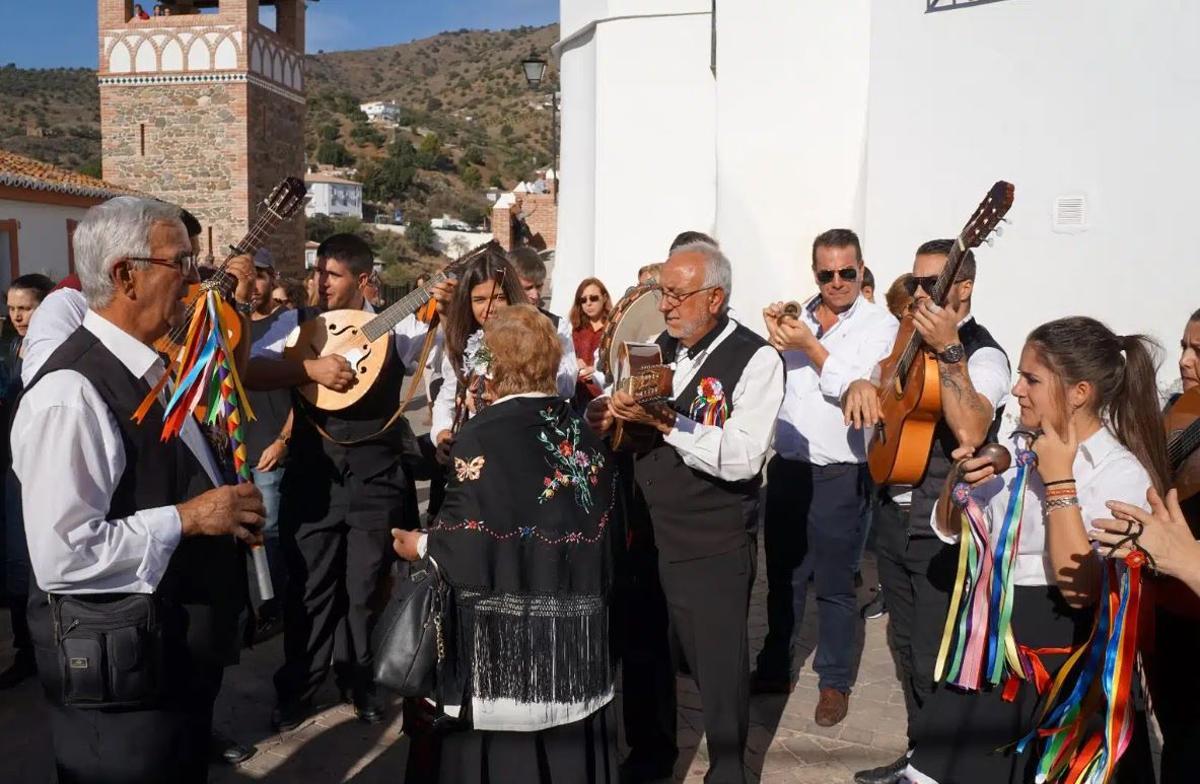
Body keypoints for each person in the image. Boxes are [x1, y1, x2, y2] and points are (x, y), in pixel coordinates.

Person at [13, 196, 263, 782]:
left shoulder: (150, 368)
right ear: (127, 275)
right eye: (183, 264)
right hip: (122, 694)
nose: (196, 283)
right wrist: (190, 518)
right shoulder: (70, 394)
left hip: (168, 672)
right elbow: (63, 553)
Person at [905, 316, 1163, 784]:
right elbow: (950, 528)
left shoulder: (1119, 474)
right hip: (992, 650)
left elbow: (1080, 590)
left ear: (1078, 392)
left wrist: (1060, 480)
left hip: (1061, 664)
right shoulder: (1014, 446)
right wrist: (957, 483)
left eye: (1031, 379)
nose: (1017, 390)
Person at [392, 305, 618, 783]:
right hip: (574, 646)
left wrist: (422, 546)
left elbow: (467, 544)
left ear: (491, 367)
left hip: (505, 660)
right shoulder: (582, 430)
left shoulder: (483, 436)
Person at [586, 241, 785, 784]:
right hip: (648, 528)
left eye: (676, 294)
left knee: (717, 665)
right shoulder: (657, 347)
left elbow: (744, 456)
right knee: (645, 650)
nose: (666, 305)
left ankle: (727, 770)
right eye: (663, 293)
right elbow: (633, 419)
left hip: (710, 536)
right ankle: (650, 757)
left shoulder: (758, 359)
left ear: (715, 297)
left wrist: (670, 423)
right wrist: (613, 416)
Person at [247, 233, 435, 731]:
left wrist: (447, 306)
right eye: (316, 273)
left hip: (375, 478)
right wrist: (307, 366)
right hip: (314, 477)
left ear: (364, 279)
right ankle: (299, 688)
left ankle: (360, 681)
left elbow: (446, 355)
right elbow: (250, 365)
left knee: (364, 588)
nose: (319, 283)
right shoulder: (296, 323)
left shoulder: (404, 328)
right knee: (309, 588)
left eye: (331, 275)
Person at [846, 239, 1011, 784]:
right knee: (902, 646)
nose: (920, 292)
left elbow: (972, 428)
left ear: (962, 288)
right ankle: (920, 759)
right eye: (915, 282)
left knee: (932, 656)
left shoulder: (984, 354)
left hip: (941, 527)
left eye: (932, 283)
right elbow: (879, 376)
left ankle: (943, 767)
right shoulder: (906, 337)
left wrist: (950, 352)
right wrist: (862, 384)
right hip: (891, 516)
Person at [754, 230, 899, 726]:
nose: (836, 283)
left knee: (836, 584)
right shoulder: (799, 316)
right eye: (826, 274)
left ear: (861, 268)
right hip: (790, 465)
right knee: (783, 576)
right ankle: (776, 662)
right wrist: (773, 338)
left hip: (841, 470)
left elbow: (862, 388)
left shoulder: (883, 326)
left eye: (847, 272)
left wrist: (809, 345)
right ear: (814, 273)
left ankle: (834, 681)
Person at [1088, 307, 1200, 784]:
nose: (1186, 361)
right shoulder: (1181, 411)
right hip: (1167, 608)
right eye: (1185, 347)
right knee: (1177, 734)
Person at [431, 250, 577, 455]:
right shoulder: (470, 339)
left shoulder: (551, 327)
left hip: (529, 448)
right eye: (479, 299)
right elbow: (448, 396)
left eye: (499, 297)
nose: (489, 308)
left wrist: (534, 351)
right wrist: (441, 433)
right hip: (478, 451)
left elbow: (566, 386)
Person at [0, 273, 54, 690]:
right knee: (17, 566)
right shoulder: (9, 349)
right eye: (13, 307)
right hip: (10, 468)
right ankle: (26, 651)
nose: (18, 315)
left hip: (40, 470)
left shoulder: (56, 352)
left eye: (26, 307)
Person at [243, 249, 292, 639]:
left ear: (273, 278)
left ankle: (275, 609)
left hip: (270, 448)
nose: (253, 285)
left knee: (270, 532)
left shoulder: (289, 323)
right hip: (238, 447)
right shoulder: (227, 325)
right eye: (247, 276)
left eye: (260, 276)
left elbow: (303, 390)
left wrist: (283, 440)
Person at [568, 277, 612, 404]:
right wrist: (574, 361)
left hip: (603, 396)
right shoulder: (577, 329)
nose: (588, 303)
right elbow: (566, 358)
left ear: (604, 298)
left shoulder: (613, 328)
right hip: (578, 395)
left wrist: (596, 370)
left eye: (593, 298)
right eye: (583, 300)